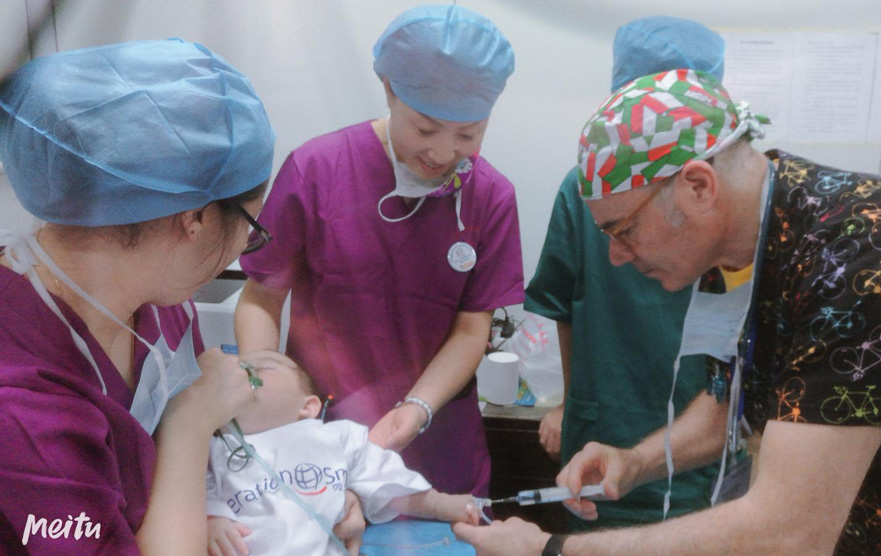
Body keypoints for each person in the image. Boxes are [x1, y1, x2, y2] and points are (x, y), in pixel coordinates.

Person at [455, 70, 881, 555]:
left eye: (623, 230)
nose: (615, 257)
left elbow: (790, 531)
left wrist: (551, 550)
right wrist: (636, 462)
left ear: (697, 186)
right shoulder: (736, 249)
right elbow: (725, 402)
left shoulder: (867, 262)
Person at [0, 39, 281, 555]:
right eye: (250, 225)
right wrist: (191, 424)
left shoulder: (161, 298)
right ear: (194, 218)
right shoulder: (21, 406)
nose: (247, 244)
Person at [234, 4, 523, 499]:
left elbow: (473, 328)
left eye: (468, 135)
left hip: (438, 440)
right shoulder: (318, 169)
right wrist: (267, 402)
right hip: (318, 430)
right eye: (426, 129)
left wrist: (418, 408)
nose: (441, 152)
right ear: (389, 88)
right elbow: (262, 298)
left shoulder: (491, 197)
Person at [525, 16, 738, 530]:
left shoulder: (740, 212)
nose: (621, 253)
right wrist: (571, 403)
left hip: (703, 429)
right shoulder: (583, 192)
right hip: (606, 421)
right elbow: (563, 304)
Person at [205, 351, 479, 556]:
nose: (242, 373)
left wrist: (442, 505)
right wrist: (211, 519)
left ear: (309, 407)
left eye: (260, 368)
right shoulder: (215, 449)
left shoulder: (334, 437)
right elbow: (193, 491)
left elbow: (385, 480)